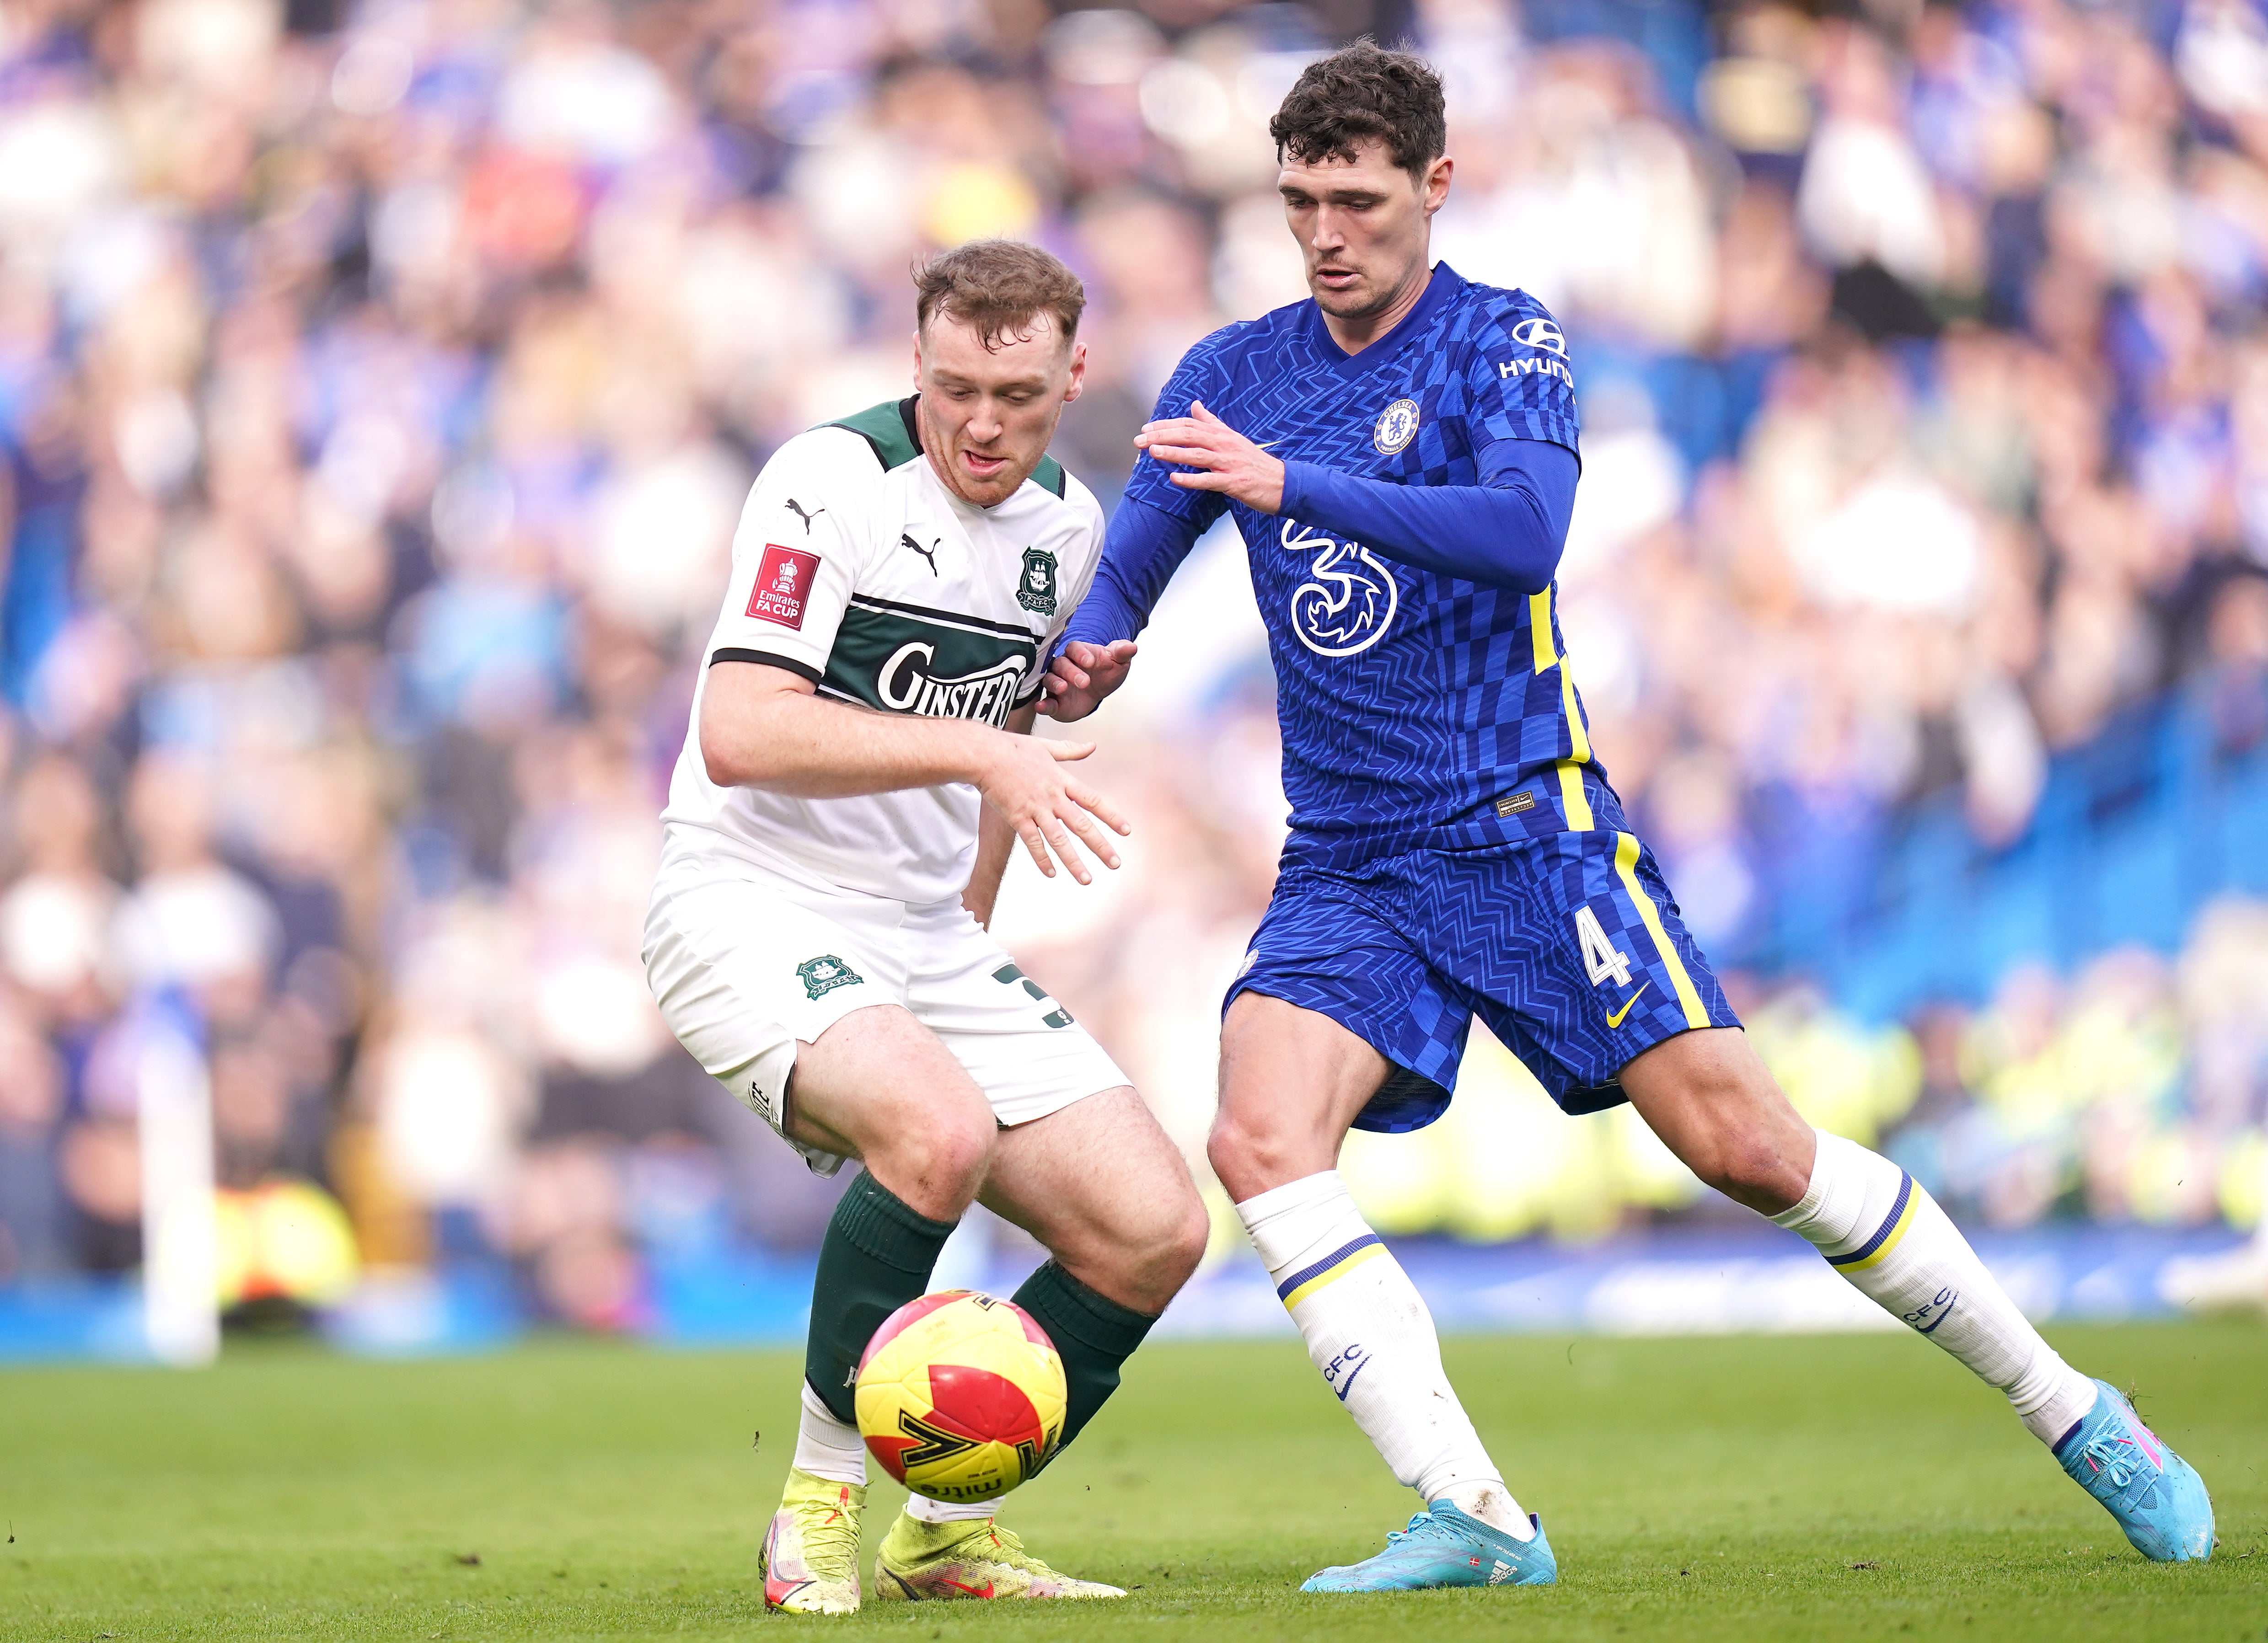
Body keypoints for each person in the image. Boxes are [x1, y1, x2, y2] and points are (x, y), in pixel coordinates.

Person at [1044, 43, 2215, 1592]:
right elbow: (1123, 585)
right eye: (1299, 201)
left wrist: (1295, 487)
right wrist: (1083, 659)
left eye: (1357, 197)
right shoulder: (1230, 373)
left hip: (1528, 828)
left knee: (1750, 1147)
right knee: (1258, 1133)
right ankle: (1477, 1516)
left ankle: (2077, 1411)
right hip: (1349, 856)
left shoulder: (1501, 341)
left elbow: (1525, 536)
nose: (1325, 231)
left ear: (1434, 186)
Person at [645, 239, 1209, 1613]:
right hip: (746, 897)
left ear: (1074, 374)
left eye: (1017, 395)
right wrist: (982, 761)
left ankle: (948, 1530)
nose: (981, 423)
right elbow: (739, 729)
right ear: (915, 363)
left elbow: (1007, 745)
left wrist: (967, 916)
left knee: (1153, 1229)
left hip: (917, 930)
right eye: (954, 385)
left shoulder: (1069, 530)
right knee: (939, 1133)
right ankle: (814, 1511)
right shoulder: (827, 482)